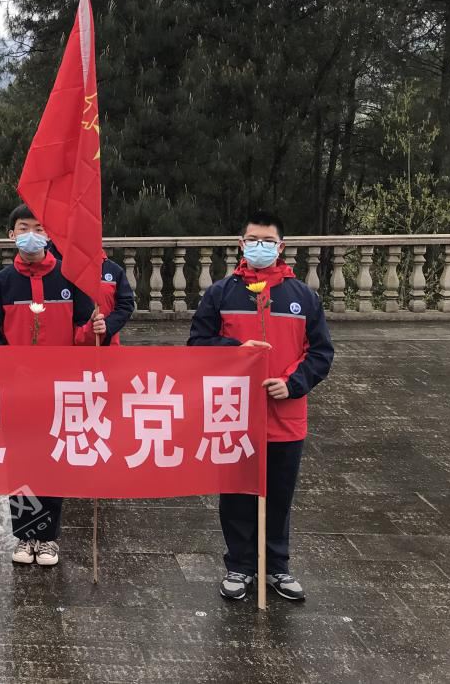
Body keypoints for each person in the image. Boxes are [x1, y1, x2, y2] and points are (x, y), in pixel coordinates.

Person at [188, 210, 334, 604]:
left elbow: (321, 353)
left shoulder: (302, 297)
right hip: (233, 416)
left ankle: (276, 567)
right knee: (236, 495)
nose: (260, 247)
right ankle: (239, 566)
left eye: (268, 241)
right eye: (253, 240)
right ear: (241, 244)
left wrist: (292, 383)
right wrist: (238, 351)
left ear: (281, 247)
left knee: (279, 496)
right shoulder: (221, 294)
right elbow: (198, 344)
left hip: (285, 418)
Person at [0, 204, 103, 568]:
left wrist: (94, 330)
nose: (31, 235)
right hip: (17, 391)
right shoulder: (3, 282)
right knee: (20, 461)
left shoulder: (68, 278)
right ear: (11, 235)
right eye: (23, 228)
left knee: (53, 459)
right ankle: (25, 534)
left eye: (38, 228)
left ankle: (48, 537)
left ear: (49, 235)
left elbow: (82, 328)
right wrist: (12, 367)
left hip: (58, 390)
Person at [73, 252, 136, 345]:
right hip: (78, 344)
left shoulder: (115, 270)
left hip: (109, 343)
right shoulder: (70, 270)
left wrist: (107, 325)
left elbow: (126, 305)